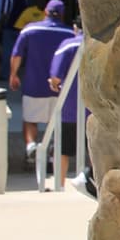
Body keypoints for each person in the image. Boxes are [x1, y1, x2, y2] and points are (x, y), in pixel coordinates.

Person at [9, 0, 73, 157]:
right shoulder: (70, 34)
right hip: (59, 88)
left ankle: (31, 145)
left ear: (45, 12)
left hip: (33, 85)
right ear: (62, 15)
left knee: (30, 119)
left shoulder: (29, 30)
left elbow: (17, 55)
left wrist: (13, 75)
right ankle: (52, 148)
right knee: (58, 122)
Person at [46, 25, 85, 188]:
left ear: (76, 28)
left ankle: (59, 185)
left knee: (62, 149)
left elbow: (55, 77)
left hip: (70, 108)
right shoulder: (103, 44)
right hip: (98, 110)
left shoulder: (68, 45)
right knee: (97, 151)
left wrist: (54, 85)